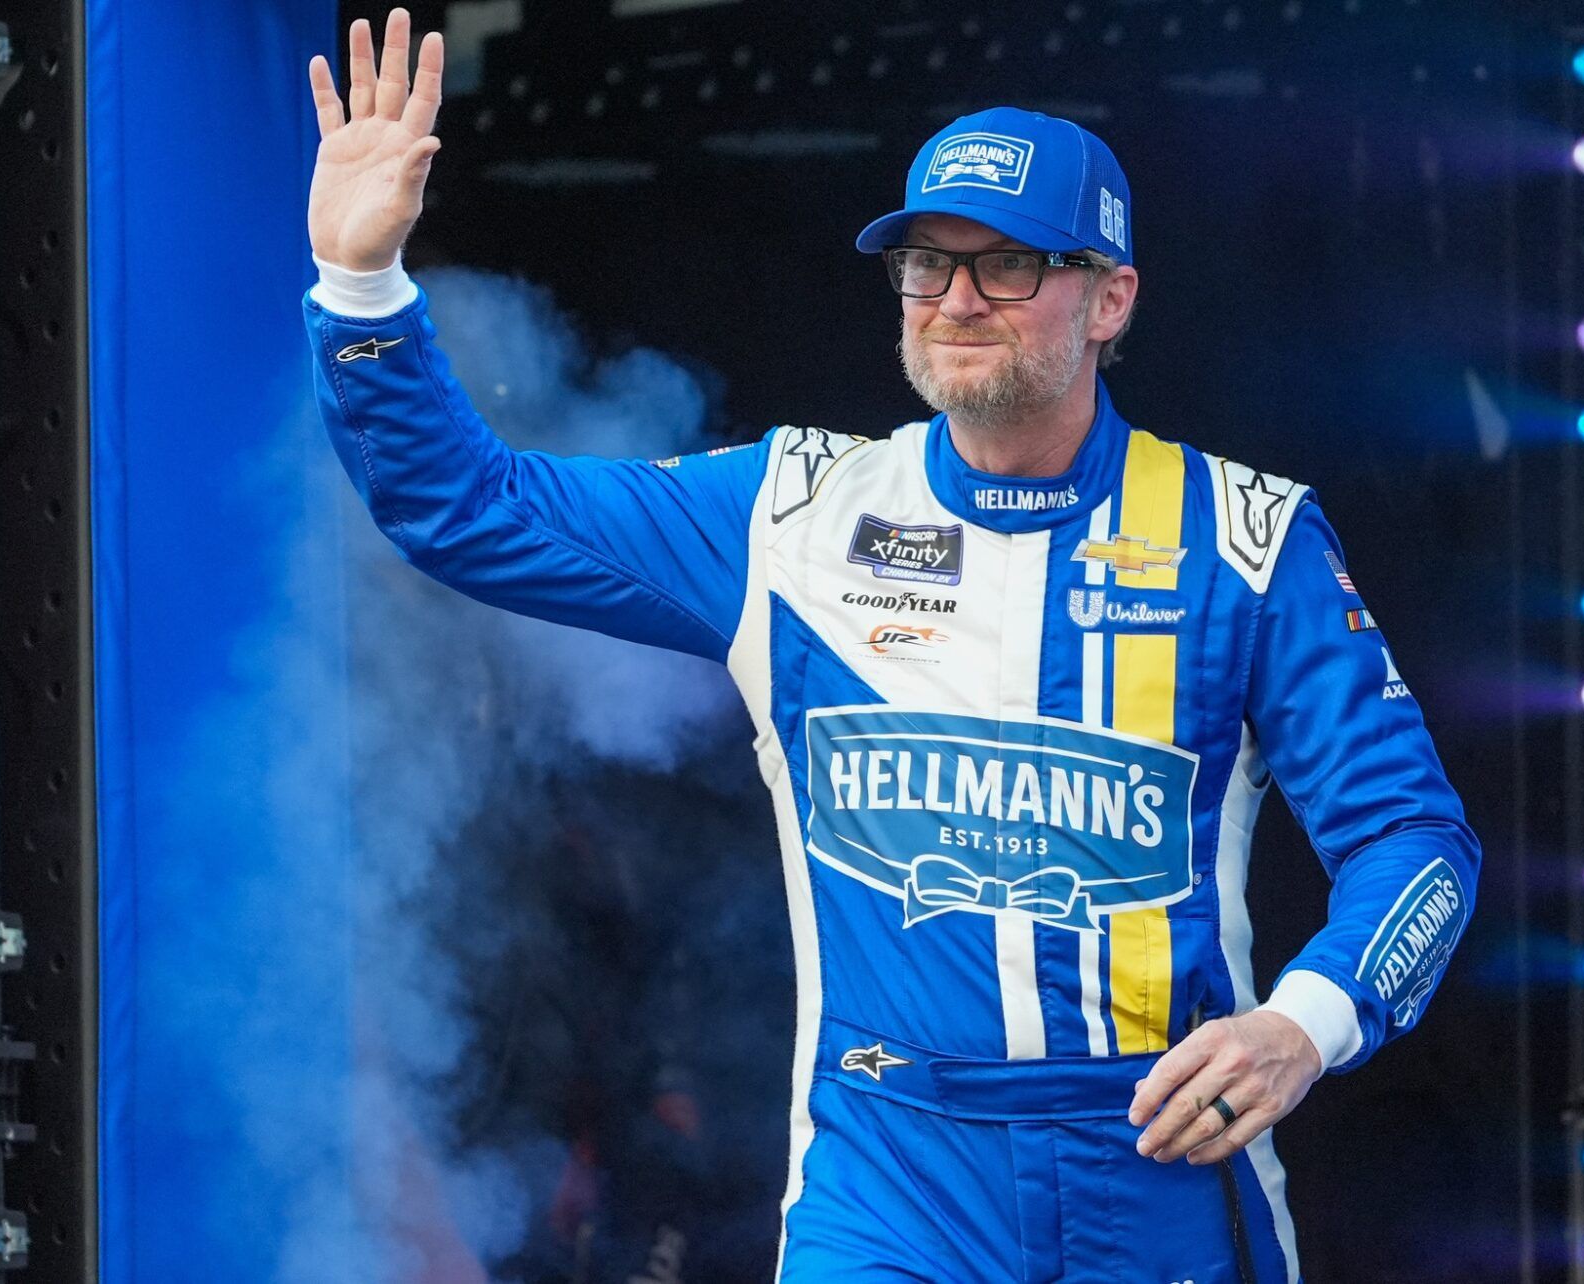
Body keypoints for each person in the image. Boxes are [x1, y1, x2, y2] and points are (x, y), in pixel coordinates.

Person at [303, 10, 1482, 1282]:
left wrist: (1306, 1025)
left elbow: (1414, 841)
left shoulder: (1252, 540)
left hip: (1154, 1168)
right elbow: (470, 512)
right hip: (893, 1182)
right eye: (927, 264)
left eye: (1008, 266)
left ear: (1111, 297)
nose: (958, 300)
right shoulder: (790, 514)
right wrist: (362, 285)